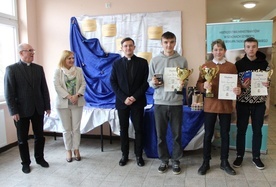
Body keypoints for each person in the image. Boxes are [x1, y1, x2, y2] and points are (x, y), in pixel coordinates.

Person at [4, 43, 51, 174]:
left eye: (32, 50)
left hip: (38, 108)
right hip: (21, 111)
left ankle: (40, 158)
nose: (32, 53)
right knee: (22, 139)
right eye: (29, 51)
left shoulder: (38, 68)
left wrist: (47, 106)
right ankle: (25, 163)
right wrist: (13, 111)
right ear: (21, 53)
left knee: (39, 136)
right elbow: (9, 93)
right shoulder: (12, 69)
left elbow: (44, 89)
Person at [196, 39, 241, 175]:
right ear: (212, 51)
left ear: (225, 51)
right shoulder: (205, 66)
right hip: (210, 105)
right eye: (215, 49)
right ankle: (206, 162)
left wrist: (238, 89)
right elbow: (199, 83)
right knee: (208, 134)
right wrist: (203, 86)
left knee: (225, 134)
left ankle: (224, 162)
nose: (218, 52)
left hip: (225, 106)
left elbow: (237, 83)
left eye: (220, 49)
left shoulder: (231, 67)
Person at [148, 31, 188, 175]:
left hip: (176, 102)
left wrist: (183, 83)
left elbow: (186, 79)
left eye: (171, 42)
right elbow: (149, 81)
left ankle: (176, 160)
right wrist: (153, 82)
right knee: (161, 135)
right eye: (166, 42)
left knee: (177, 134)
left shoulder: (182, 60)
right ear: (161, 43)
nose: (169, 45)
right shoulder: (154, 60)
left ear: (175, 42)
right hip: (159, 102)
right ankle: (164, 160)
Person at [110, 37, 149, 167]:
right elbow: (113, 82)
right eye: (125, 46)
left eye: (130, 46)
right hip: (122, 103)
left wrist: (134, 97)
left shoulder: (143, 63)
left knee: (139, 129)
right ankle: (124, 155)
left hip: (137, 102)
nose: (128, 48)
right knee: (123, 129)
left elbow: (145, 83)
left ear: (134, 47)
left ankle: (139, 155)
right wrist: (124, 98)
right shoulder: (116, 64)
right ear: (122, 48)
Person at [233, 37, 270, 170]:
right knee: (241, 129)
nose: (251, 49)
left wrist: (267, 83)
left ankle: (256, 157)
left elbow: (268, 81)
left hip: (259, 102)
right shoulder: (239, 65)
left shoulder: (264, 64)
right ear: (244, 48)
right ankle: (239, 155)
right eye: (248, 47)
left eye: (253, 46)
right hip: (242, 102)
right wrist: (241, 85)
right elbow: (235, 84)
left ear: (257, 48)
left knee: (257, 130)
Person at [53, 50, 86, 163]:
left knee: (76, 128)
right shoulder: (58, 71)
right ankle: (68, 150)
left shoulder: (79, 70)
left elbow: (83, 84)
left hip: (77, 102)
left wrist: (76, 95)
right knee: (66, 129)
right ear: (64, 59)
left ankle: (76, 149)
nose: (72, 60)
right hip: (63, 104)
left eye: (73, 58)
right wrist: (69, 96)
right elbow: (57, 86)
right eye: (69, 58)